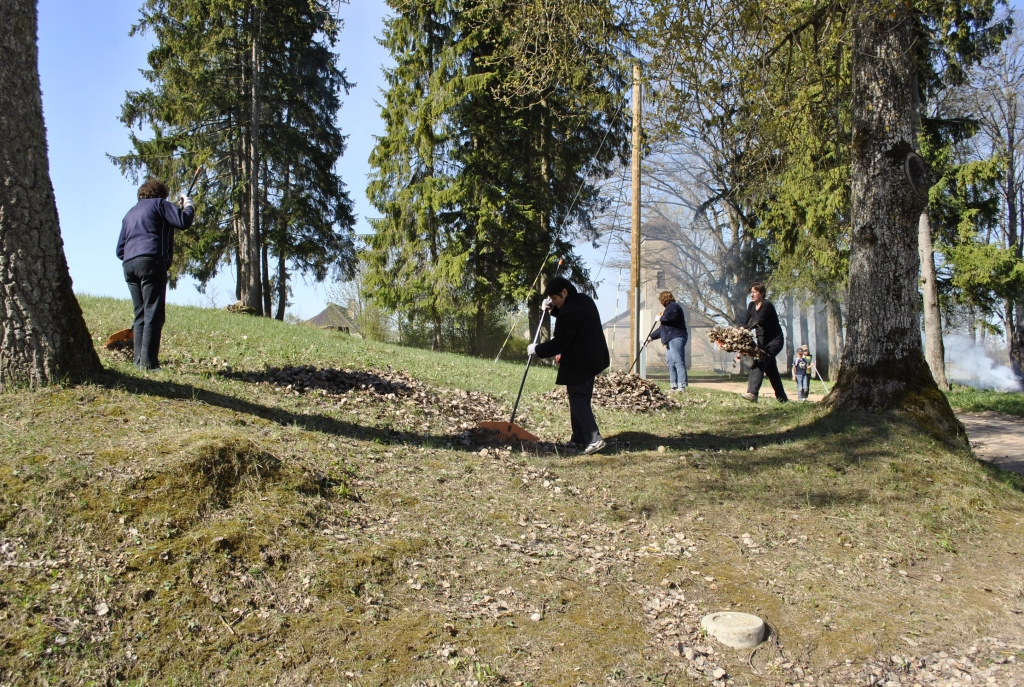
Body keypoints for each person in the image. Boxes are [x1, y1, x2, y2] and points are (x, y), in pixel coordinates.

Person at [115, 179, 194, 370]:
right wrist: (188, 204)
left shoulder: (129, 214)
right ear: (161, 194)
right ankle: (149, 364)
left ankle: (139, 362)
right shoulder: (160, 204)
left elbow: (119, 250)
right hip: (151, 260)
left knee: (140, 314)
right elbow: (183, 221)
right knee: (153, 313)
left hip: (129, 265)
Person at [528, 277, 610, 455]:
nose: (555, 302)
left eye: (555, 298)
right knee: (581, 398)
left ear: (564, 292)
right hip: (593, 358)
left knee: (578, 399)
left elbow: (560, 342)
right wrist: (551, 308)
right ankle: (579, 437)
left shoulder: (569, 311)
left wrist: (537, 349)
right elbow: (571, 317)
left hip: (580, 361)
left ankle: (594, 439)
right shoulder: (584, 300)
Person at [735, 282, 788, 403]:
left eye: (755, 292)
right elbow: (746, 321)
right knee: (771, 371)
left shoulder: (767, 305)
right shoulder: (751, 306)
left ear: (762, 293)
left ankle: (753, 393)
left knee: (759, 361)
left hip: (775, 341)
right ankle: (783, 399)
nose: (752, 294)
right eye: (751, 292)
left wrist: (745, 328)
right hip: (762, 343)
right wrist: (741, 331)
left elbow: (759, 322)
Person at [647, 291, 688, 391]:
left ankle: (681, 386)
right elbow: (662, 329)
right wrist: (650, 337)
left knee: (678, 361)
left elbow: (671, 318)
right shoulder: (668, 310)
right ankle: (673, 385)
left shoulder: (673, 306)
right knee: (670, 363)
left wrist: (660, 318)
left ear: (663, 299)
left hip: (676, 337)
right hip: (670, 339)